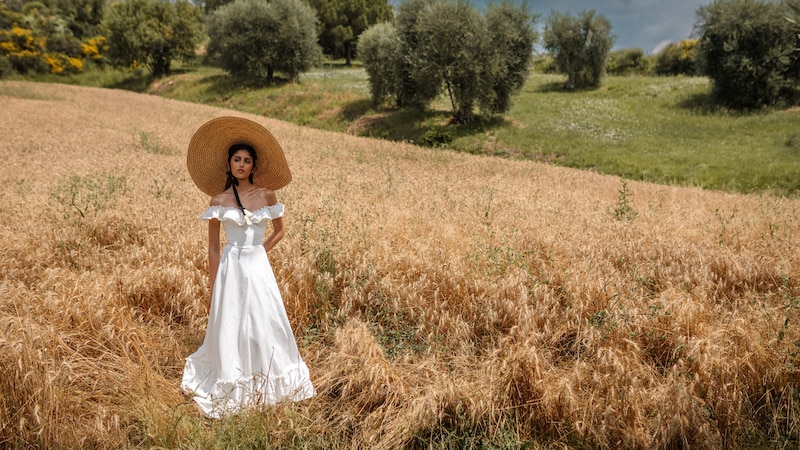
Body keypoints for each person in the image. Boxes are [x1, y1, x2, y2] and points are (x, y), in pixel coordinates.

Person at [181, 116, 315, 418]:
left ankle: (269, 374)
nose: (242, 165)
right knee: (231, 321)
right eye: (237, 160)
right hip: (231, 267)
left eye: (247, 160)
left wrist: (259, 253)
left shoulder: (267, 194)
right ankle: (233, 375)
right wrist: (213, 286)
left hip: (257, 266)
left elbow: (279, 230)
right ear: (229, 165)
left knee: (265, 318)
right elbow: (214, 249)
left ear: (253, 166)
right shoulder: (218, 200)